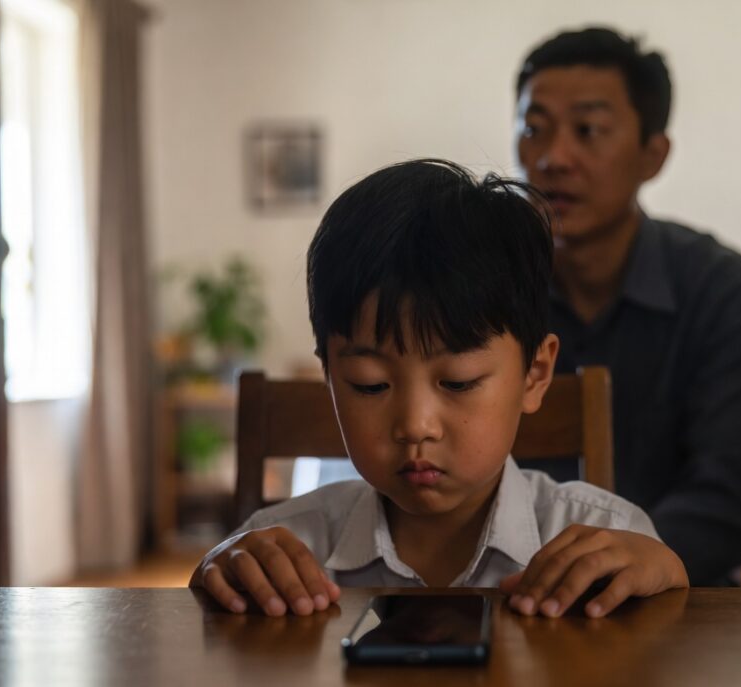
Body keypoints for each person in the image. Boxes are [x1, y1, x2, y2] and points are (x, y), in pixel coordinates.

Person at [190, 159, 688, 618]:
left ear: (535, 375)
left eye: (458, 381)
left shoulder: (605, 538)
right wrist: (214, 580)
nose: (415, 426)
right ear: (330, 380)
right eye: (370, 385)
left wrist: (672, 582)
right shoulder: (286, 550)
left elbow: (666, 650)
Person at [513, 27, 741, 585]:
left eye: (588, 131)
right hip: (507, 592)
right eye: (534, 130)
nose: (554, 158)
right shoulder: (486, 291)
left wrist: (613, 565)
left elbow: (726, 502)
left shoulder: (723, 292)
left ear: (652, 155)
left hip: (677, 602)